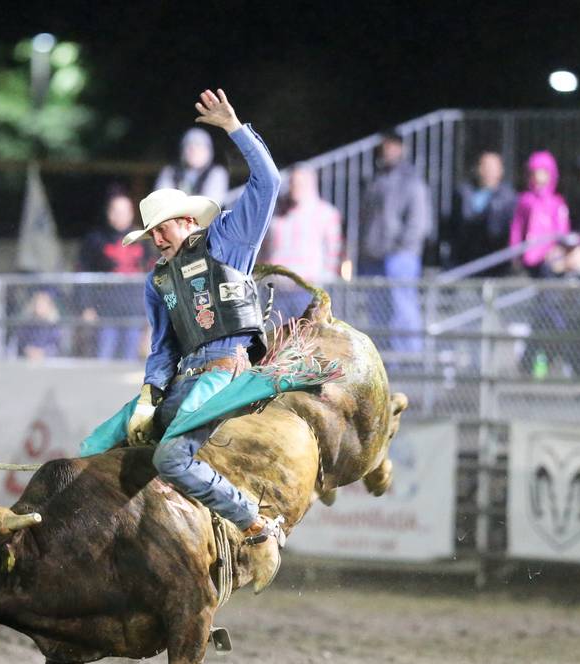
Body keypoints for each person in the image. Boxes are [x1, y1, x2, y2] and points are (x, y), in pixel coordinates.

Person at [124, 88, 284, 592]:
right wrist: (149, 396)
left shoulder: (227, 243)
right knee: (105, 450)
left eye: (162, 228)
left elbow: (268, 181)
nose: (157, 238)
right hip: (183, 381)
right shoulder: (158, 281)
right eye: (150, 232)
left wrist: (235, 129)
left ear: (187, 220)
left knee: (171, 459)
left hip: (225, 369)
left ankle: (254, 523)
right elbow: (163, 348)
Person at [358, 132, 432, 352]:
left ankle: (408, 359)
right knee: (377, 311)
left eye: (391, 146)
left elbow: (419, 221)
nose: (386, 151)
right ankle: (381, 358)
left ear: (400, 148)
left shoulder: (412, 181)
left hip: (400, 257)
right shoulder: (375, 179)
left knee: (403, 309)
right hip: (374, 257)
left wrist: (400, 246)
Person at [76, 191, 155, 360]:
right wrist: (86, 306)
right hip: (105, 311)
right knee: (103, 357)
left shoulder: (143, 240)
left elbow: (153, 274)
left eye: (125, 212)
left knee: (130, 359)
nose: (121, 216)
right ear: (109, 213)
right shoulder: (95, 240)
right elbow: (83, 273)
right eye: (116, 211)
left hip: (134, 311)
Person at [260, 162, 343, 319]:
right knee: (275, 337)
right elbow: (263, 247)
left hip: (308, 290)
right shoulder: (275, 214)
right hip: (278, 289)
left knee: (306, 338)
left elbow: (334, 251)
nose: (296, 187)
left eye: (301, 183)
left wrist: (323, 280)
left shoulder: (326, 213)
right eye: (293, 182)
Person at [447, 151, 516, 273]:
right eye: (485, 167)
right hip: (465, 259)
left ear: (501, 171)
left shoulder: (509, 198)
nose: (489, 172)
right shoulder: (463, 193)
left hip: (496, 262)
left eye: (493, 168)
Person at [509, 151, 570, 276]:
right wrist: (514, 251)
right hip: (527, 256)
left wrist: (558, 249)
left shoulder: (557, 203)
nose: (538, 176)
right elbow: (517, 227)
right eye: (535, 172)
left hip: (550, 257)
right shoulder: (525, 200)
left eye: (543, 172)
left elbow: (562, 229)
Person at [154, 127, 230, 204]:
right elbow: (161, 201)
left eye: (199, 146)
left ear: (208, 150)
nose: (194, 151)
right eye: (189, 146)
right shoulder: (170, 172)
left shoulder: (217, 173)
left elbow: (210, 205)